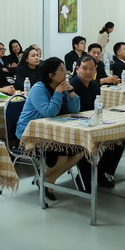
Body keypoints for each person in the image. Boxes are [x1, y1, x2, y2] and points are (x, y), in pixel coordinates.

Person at [15, 57, 83, 200]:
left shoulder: (62, 86)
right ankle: (48, 180)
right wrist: (58, 93)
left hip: (54, 132)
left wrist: (71, 91)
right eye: (62, 70)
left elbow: (75, 109)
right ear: (51, 75)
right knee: (62, 151)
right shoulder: (38, 88)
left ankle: (48, 179)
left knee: (81, 149)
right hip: (30, 134)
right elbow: (49, 112)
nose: (66, 73)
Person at [71, 55, 122, 190]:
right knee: (87, 141)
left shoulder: (94, 85)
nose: (88, 72)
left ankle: (101, 172)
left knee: (118, 139)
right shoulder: (72, 85)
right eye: (84, 68)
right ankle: (84, 176)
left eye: (92, 69)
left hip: (93, 123)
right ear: (77, 69)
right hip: (76, 125)